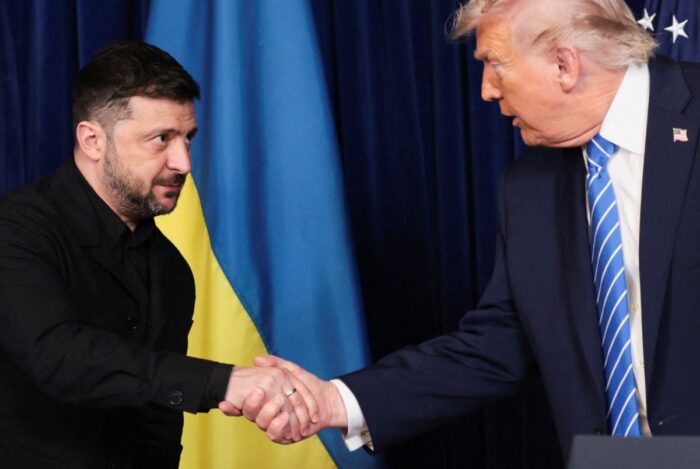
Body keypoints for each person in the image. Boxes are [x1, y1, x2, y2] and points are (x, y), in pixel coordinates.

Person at [234, 0, 700, 463]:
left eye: (495, 64)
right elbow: (498, 344)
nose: (486, 91)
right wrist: (335, 401)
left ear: (564, 64)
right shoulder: (529, 187)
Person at [0, 41, 317, 468]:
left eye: (188, 139)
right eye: (161, 139)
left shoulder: (172, 269)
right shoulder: (15, 229)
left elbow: (159, 423)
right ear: (92, 140)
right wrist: (224, 382)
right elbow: (59, 357)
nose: (183, 163)